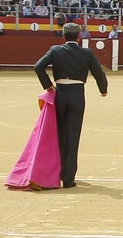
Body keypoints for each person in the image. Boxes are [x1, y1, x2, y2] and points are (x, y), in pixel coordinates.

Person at [33, 23, 109, 188]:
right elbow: (98, 73)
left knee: (59, 134)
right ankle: (68, 178)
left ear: (63, 36)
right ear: (79, 37)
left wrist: (48, 85)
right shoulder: (86, 53)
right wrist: (103, 89)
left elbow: (38, 67)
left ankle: (56, 173)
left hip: (59, 95)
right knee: (73, 136)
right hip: (77, 95)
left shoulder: (55, 50)